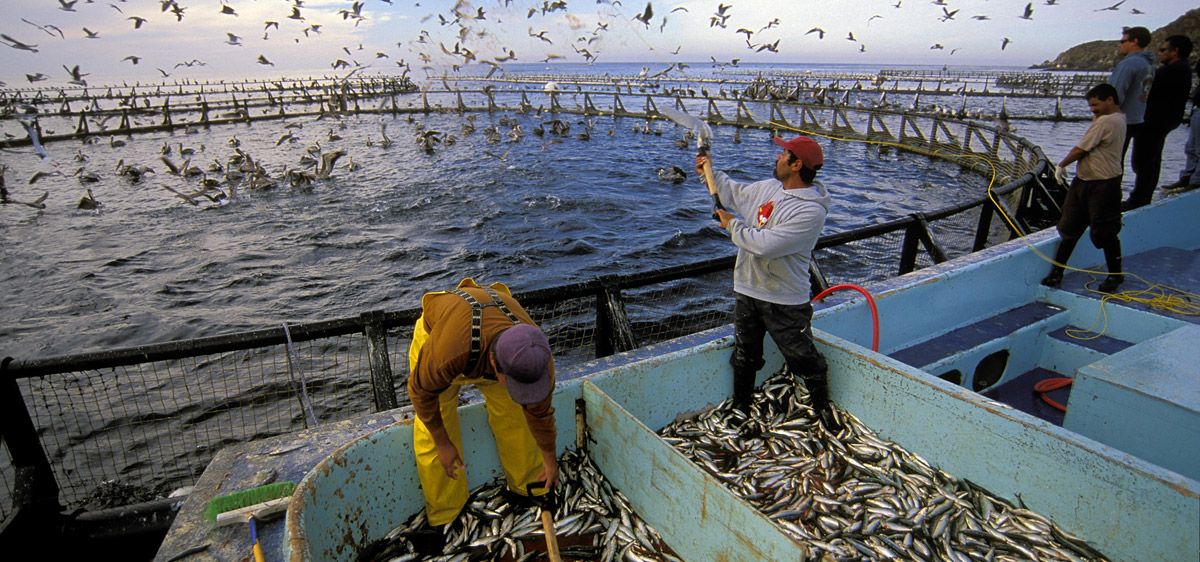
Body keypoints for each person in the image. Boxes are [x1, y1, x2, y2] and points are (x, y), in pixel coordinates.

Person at [406, 278, 557, 552]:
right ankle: (445, 515)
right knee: (433, 428)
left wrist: (549, 459)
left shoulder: (537, 359)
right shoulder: (447, 353)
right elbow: (420, 394)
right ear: (493, 367)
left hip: (492, 333)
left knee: (516, 416)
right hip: (443, 333)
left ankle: (526, 488)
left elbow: (540, 412)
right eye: (513, 383)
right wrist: (443, 443)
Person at [694, 136, 835, 428]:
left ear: (797, 165)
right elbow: (733, 193)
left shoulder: (811, 211)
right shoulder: (770, 188)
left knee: (803, 359)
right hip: (748, 289)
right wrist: (709, 170)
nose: (777, 157)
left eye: (784, 154)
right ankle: (740, 408)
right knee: (745, 355)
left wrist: (731, 223)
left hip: (785, 299)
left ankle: (824, 414)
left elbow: (766, 245)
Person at [1042, 84, 1126, 294]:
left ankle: (1115, 275)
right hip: (1087, 181)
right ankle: (1058, 272)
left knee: (1103, 232)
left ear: (1110, 100)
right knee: (1069, 228)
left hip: (1102, 184)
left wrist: (1061, 165)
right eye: (1090, 106)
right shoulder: (1119, 119)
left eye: (1096, 105)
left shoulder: (1106, 122)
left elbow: (1081, 149)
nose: (1093, 110)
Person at [1126, 35, 1195, 209]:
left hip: (1154, 121)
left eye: (1163, 50)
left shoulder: (1172, 71)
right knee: (1151, 160)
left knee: (1143, 160)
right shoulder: (1182, 70)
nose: (1160, 53)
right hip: (1164, 121)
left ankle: (1139, 199)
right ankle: (1142, 196)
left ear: (1175, 51)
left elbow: (1146, 87)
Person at [1107, 26, 1153, 170]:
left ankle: (1109, 192)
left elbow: (1114, 94)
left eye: (1122, 41)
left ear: (1135, 41)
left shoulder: (1129, 63)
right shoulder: (1149, 64)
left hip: (1121, 120)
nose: (1119, 45)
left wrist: (1101, 118)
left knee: (1110, 162)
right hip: (1137, 118)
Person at [1163, 52, 1200, 193]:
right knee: (1191, 148)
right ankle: (1188, 177)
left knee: (1196, 148)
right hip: (1196, 110)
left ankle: (1195, 180)